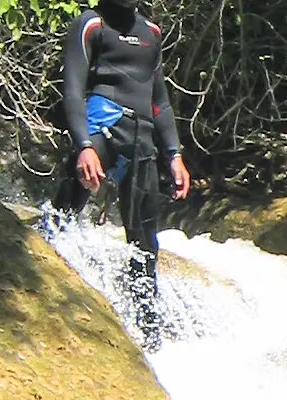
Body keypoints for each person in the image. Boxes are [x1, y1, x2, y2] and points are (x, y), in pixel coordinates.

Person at [53, 0, 191, 349]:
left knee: (145, 244)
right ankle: (42, 258)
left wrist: (174, 154)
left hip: (142, 137)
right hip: (102, 123)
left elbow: (160, 101)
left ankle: (148, 338)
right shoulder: (91, 24)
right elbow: (72, 89)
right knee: (67, 206)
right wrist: (84, 145)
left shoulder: (151, 33)